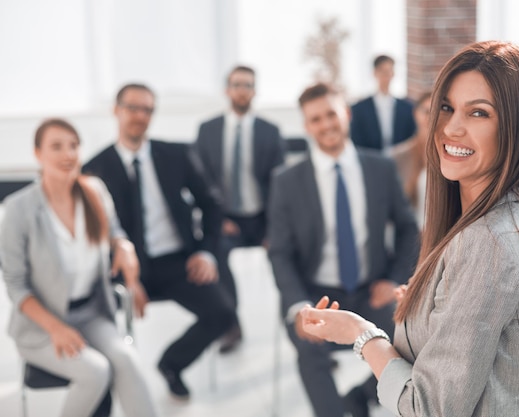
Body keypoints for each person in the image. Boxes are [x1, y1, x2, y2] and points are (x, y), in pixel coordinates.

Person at [299, 41, 519, 416]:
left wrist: (360, 334)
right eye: (446, 108)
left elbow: (429, 407)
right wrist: (435, 304)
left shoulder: (489, 243)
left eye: (479, 113)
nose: (451, 128)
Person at [268, 83, 419, 417]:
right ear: (307, 126)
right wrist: (298, 306)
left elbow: (409, 228)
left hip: (372, 289)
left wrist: (394, 280)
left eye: (331, 115)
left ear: (346, 115)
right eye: (316, 119)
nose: (326, 125)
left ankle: (361, 397)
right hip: (314, 293)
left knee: (417, 340)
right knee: (310, 349)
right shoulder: (287, 180)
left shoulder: (379, 167)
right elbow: (279, 252)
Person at [83, 84, 236, 400]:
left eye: (147, 109)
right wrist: (128, 276)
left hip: (178, 260)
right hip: (123, 267)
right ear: (116, 110)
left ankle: (171, 364)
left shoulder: (176, 154)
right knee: (98, 323)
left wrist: (206, 252)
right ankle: (107, 386)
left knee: (223, 312)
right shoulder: (95, 169)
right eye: (132, 108)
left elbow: (212, 203)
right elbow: (93, 235)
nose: (140, 116)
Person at [0, 119, 157, 417]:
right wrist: (56, 328)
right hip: (42, 327)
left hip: (92, 313)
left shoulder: (94, 191)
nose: (68, 153)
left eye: (73, 145)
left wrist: (122, 245)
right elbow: (16, 285)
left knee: (127, 359)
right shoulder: (19, 209)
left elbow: (114, 230)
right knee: (95, 372)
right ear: (37, 154)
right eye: (56, 146)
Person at [195, 65, 285, 353]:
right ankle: (231, 323)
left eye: (248, 85)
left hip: (262, 217)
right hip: (226, 218)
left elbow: (280, 187)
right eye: (237, 84)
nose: (242, 90)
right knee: (216, 253)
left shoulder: (270, 132)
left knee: (289, 256)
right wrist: (218, 219)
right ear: (227, 89)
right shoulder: (208, 130)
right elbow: (201, 182)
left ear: (254, 91)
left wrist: (274, 228)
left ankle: (304, 327)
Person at [350, 55, 416, 152]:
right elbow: (356, 142)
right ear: (375, 73)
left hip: (400, 161)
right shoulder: (359, 109)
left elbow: (411, 139)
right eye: (383, 71)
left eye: (390, 71)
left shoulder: (407, 108)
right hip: (370, 161)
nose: (387, 75)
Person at [390, 91, 432, 228]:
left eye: (436, 112)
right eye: (426, 112)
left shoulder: (450, 155)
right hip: (410, 237)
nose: (430, 118)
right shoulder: (398, 156)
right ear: (416, 114)